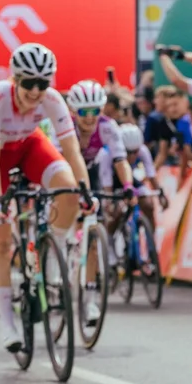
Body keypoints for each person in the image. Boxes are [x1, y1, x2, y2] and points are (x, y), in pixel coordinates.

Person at [0, 43, 93, 352]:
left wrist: (85, 190)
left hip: (28, 145)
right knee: (0, 241)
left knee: (69, 191)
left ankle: (52, 253)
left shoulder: (52, 100)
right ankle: (7, 323)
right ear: (15, 79)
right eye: (28, 83)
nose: (36, 91)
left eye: (42, 83)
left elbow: (72, 150)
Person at [66, 79, 135, 326]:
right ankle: (59, 254)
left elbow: (120, 160)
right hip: (65, 170)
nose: (90, 117)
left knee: (93, 236)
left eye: (95, 110)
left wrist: (128, 187)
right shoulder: (64, 126)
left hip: (92, 172)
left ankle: (91, 299)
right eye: (84, 112)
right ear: (73, 111)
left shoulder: (108, 127)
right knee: (65, 214)